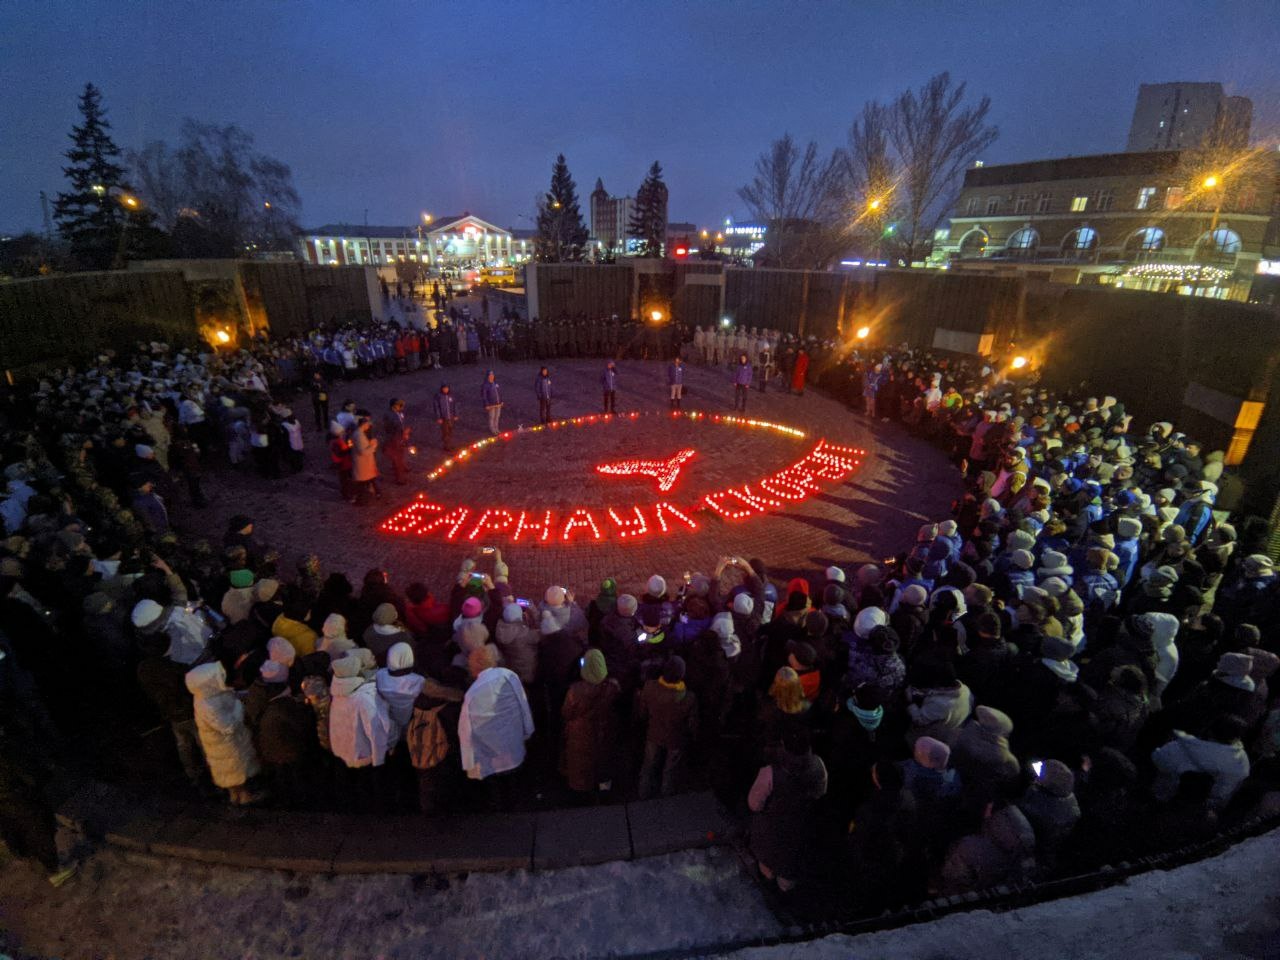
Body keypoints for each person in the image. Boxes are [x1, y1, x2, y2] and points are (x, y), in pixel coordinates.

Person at [747, 727, 828, 892]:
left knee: (769, 864)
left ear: (783, 745)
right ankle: (788, 894)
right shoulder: (818, 765)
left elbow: (754, 804)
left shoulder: (770, 772)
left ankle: (769, 886)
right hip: (803, 827)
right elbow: (821, 792)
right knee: (791, 869)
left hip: (772, 829)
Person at [458, 646, 535, 807]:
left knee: (496, 792)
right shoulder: (509, 676)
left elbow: (465, 730)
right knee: (513, 785)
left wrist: (469, 762)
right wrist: (528, 730)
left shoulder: (473, 693)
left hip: (489, 755)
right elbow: (523, 705)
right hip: (513, 745)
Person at [184, 662, 263, 805]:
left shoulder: (212, 692)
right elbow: (227, 726)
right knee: (233, 773)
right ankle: (242, 798)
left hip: (229, 744)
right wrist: (239, 706)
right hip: (225, 747)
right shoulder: (206, 705)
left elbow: (229, 695)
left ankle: (238, 797)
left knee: (235, 772)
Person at [560, 648, 621, 798]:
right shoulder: (612, 688)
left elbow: (566, 713)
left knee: (581, 766)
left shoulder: (574, 691)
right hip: (603, 732)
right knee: (603, 763)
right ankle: (604, 792)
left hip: (580, 734)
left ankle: (582, 794)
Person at [636, 655, 698, 798]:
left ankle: (643, 795)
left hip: (654, 733)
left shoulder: (650, 687)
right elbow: (691, 724)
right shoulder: (689, 698)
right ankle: (666, 798)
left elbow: (642, 712)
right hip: (675, 738)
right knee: (670, 771)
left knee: (648, 766)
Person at [351, 417, 380, 504]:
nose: (368, 426)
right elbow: (363, 451)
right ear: (363, 424)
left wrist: (370, 443)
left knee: (365, 481)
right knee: (362, 483)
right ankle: (361, 500)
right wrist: (374, 445)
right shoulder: (359, 435)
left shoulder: (360, 434)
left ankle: (367, 496)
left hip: (364, 463)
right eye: (367, 424)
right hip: (362, 463)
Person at [381, 398, 410, 485]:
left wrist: (404, 432)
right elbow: (390, 428)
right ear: (394, 406)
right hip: (394, 439)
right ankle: (400, 478)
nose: (401, 407)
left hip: (400, 437)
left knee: (401, 454)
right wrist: (402, 433)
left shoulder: (399, 412)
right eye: (399, 405)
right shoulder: (389, 415)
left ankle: (402, 467)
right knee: (397, 458)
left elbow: (401, 423)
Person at [328, 423, 355, 503]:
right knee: (345, 481)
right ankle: (346, 496)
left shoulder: (336, 441)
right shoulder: (336, 442)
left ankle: (347, 494)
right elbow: (340, 453)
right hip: (343, 465)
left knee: (346, 480)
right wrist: (349, 449)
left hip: (345, 464)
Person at [433, 384, 458, 452]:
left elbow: (454, 405)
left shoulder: (451, 396)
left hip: (451, 417)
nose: (446, 390)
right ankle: (447, 446)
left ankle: (449, 444)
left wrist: (455, 414)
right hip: (444, 418)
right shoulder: (439, 397)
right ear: (442, 389)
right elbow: (437, 408)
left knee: (450, 431)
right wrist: (439, 417)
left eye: (447, 388)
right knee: (445, 432)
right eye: (444, 388)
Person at [481, 370, 503, 435]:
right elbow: (484, 396)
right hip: (491, 405)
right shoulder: (485, 385)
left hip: (498, 404)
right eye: (490, 375)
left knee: (497, 416)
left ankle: (496, 428)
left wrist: (501, 400)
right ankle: (492, 429)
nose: (491, 376)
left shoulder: (496, 383)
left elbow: (499, 393)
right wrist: (486, 404)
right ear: (488, 376)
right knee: (492, 417)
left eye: (492, 375)